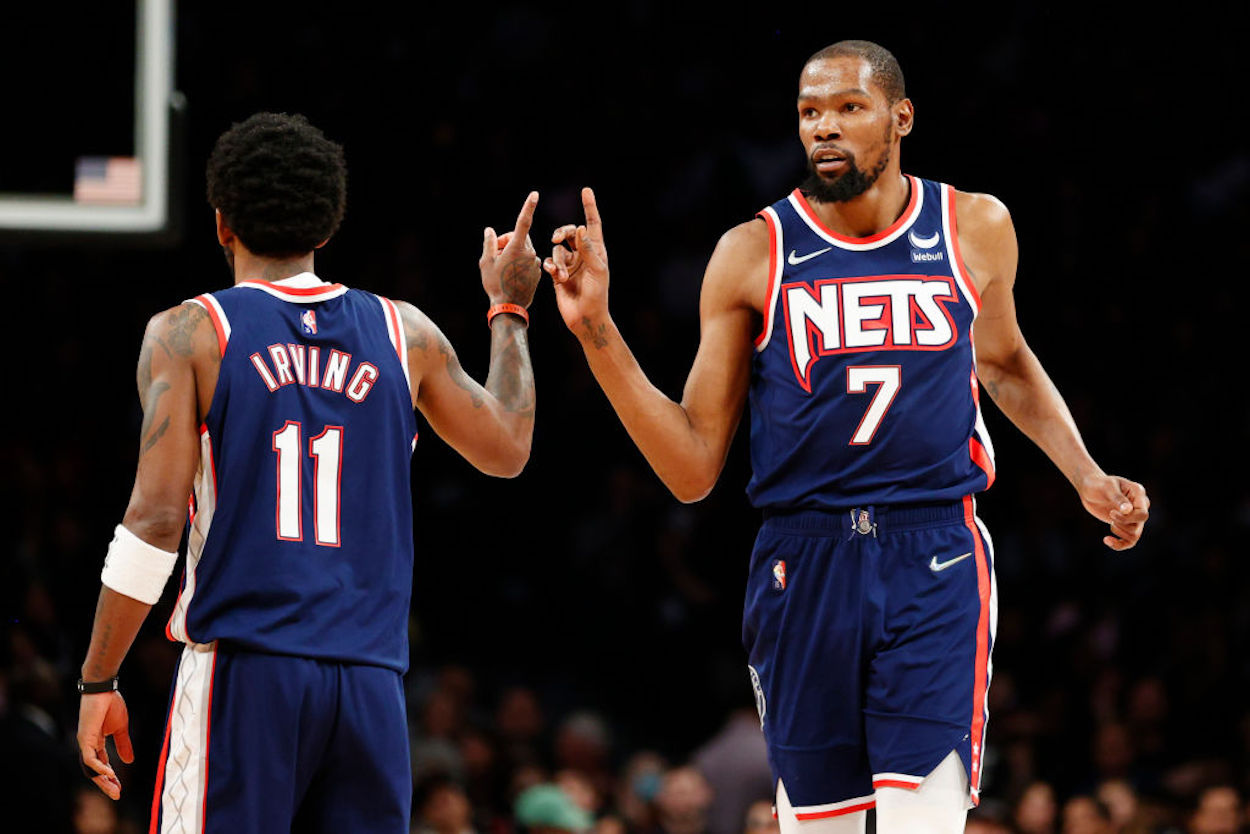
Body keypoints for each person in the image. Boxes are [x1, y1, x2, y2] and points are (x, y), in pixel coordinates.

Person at [543, 40, 1149, 834]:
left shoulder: (976, 224)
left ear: (900, 118)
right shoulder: (752, 252)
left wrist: (1087, 476)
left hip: (935, 551)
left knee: (922, 823)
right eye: (809, 113)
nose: (824, 128)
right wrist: (596, 332)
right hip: (805, 558)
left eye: (848, 108)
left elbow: (1003, 363)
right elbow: (691, 467)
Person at [75, 112, 541, 833]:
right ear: (327, 228)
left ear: (222, 222)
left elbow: (155, 522)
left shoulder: (190, 331)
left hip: (246, 670)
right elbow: (509, 445)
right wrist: (509, 309)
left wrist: (98, 676)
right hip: (370, 685)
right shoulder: (404, 333)